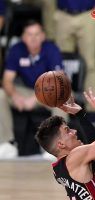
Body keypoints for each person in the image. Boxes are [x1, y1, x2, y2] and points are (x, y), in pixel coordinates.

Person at [35, 86, 95, 199]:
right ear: (61, 144)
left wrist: (80, 114)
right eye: (67, 131)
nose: (74, 131)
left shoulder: (59, 169)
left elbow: (94, 144)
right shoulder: (76, 156)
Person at [1, 20, 66, 156]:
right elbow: (7, 80)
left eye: (37, 34)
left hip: (49, 91)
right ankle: (6, 143)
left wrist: (36, 98)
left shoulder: (51, 49)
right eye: (29, 34)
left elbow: (59, 81)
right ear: (23, 37)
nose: (33, 38)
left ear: (43, 36)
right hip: (26, 90)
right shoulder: (17, 49)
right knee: (0, 94)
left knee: (62, 99)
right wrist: (14, 95)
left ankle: (56, 146)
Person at [54, 0, 95, 111]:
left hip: (87, 14)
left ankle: (93, 109)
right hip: (63, 14)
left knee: (90, 65)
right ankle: (63, 106)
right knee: (61, 64)